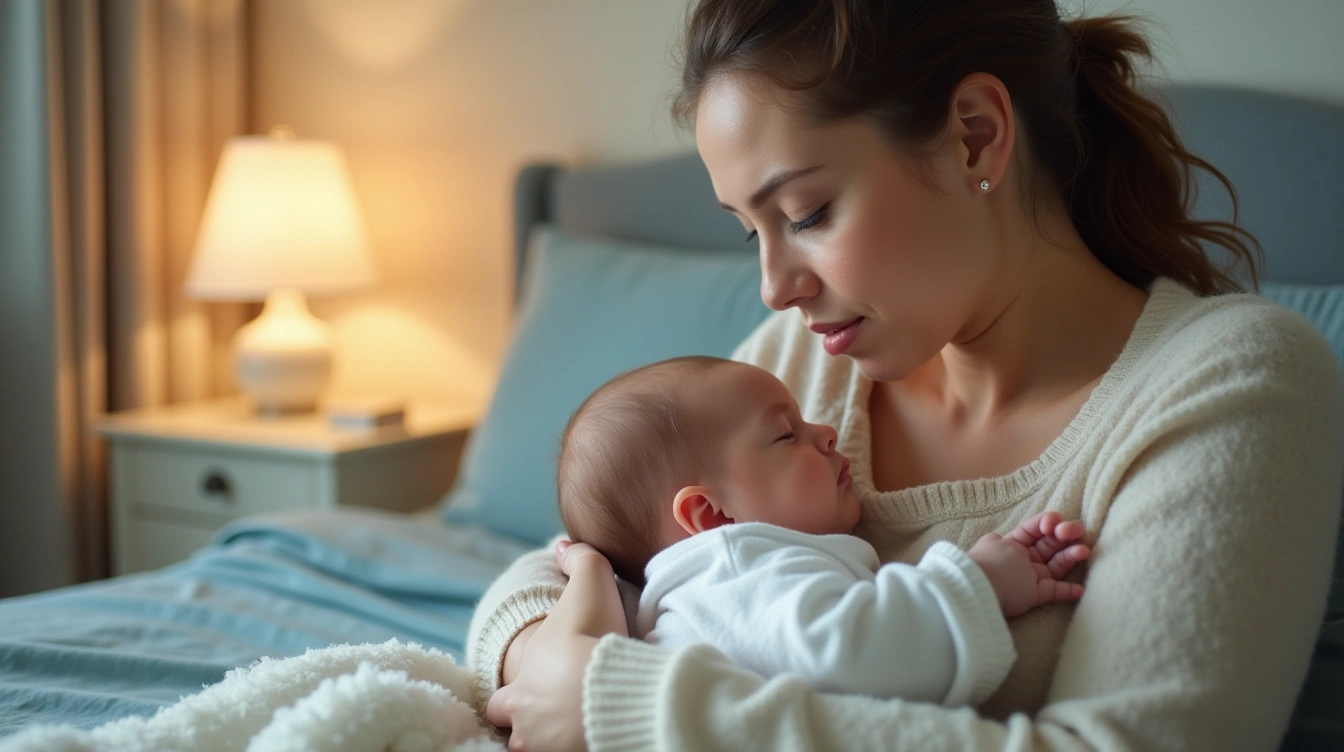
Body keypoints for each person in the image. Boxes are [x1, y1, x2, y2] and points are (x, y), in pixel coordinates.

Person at [470, 1, 1344, 750]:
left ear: (975, 136)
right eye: (752, 229)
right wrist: (540, 657)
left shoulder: (1232, 380)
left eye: (807, 212)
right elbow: (580, 559)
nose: (776, 286)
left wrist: (626, 702)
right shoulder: (799, 364)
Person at [555, 355, 1090, 705]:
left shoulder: (696, 587)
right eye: (787, 435)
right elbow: (856, 653)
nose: (828, 432)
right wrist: (979, 583)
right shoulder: (742, 570)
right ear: (714, 517)